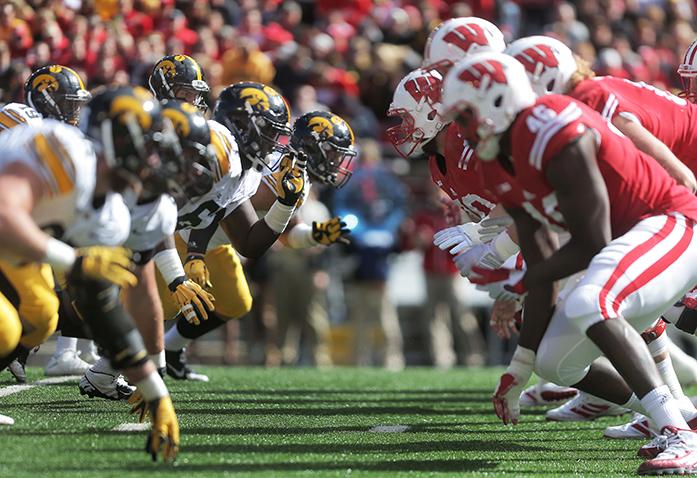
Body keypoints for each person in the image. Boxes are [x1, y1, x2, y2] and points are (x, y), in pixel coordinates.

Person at [441, 51, 697, 474]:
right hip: (629, 242)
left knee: (591, 301)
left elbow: (591, 239)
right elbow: (542, 255)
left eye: (465, 115)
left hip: (671, 224)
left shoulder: (555, 124)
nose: (461, 131)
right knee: (554, 362)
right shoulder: (496, 163)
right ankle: (682, 417)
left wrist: (516, 278)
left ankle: (678, 433)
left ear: (498, 100)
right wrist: (518, 370)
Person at [506, 34, 697, 431]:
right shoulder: (579, 104)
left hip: (677, 206)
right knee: (637, 298)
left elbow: (673, 171)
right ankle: (673, 408)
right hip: (671, 203)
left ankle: (674, 412)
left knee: (671, 302)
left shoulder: (589, 98)